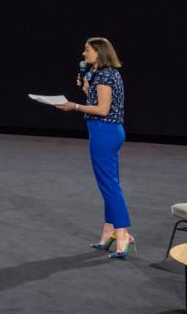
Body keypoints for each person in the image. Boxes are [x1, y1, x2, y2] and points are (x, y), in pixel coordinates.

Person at [54, 37, 133, 258]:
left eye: (87, 50)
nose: (83, 53)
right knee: (109, 183)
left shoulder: (106, 75)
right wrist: (87, 89)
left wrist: (75, 106)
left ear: (99, 52)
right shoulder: (100, 73)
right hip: (106, 131)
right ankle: (108, 232)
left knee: (109, 185)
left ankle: (123, 234)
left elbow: (103, 109)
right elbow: (99, 101)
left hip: (104, 132)